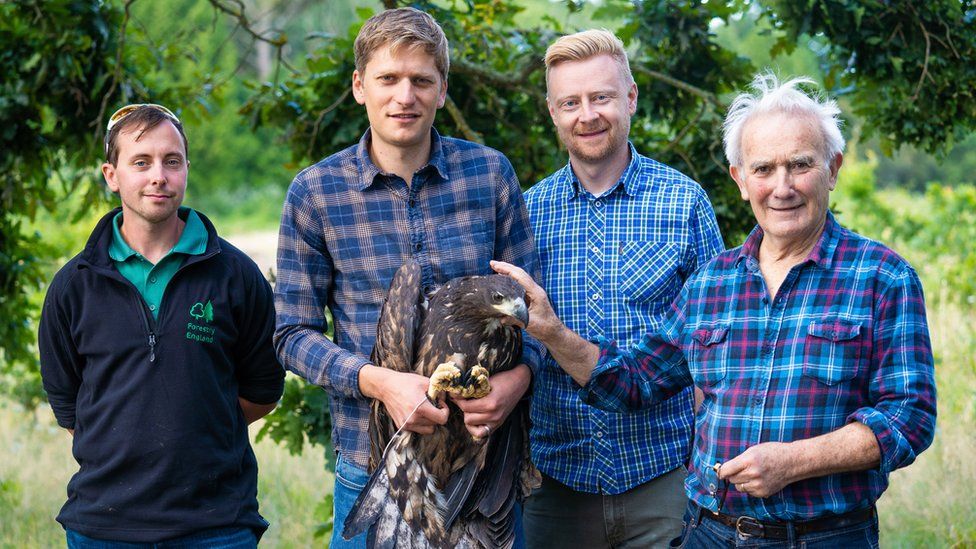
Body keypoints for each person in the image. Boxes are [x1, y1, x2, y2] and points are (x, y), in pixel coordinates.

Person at [494, 73, 937, 548]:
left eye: (800, 165)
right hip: (710, 532)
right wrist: (552, 331)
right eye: (763, 169)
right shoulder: (712, 284)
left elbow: (910, 417)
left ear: (833, 169)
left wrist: (795, 461)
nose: (782, 187)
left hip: (824, 536)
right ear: (741, 180)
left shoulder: (882, 277)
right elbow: (633, 381)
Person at [272, 8, 541, 548]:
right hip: (376, 465)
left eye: (421, 80)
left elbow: (534, 315)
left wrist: (517, 382)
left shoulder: (490, 175)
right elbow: (290, 336)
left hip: (484, 465)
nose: (405, 96)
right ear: (359, 87)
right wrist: (380, 383)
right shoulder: (316, 193)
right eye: (388, 79)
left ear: (442, 90)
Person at [38, 103, 285, 548]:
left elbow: (263, 391)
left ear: (187, 168)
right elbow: (70, 404)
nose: (159, 176)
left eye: (172, 161)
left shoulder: (236, 275)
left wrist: (198, 427)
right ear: (111, 175)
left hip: (216, 525)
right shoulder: (73, 286)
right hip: (103, 527)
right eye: (141, 162)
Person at [519, 29, 724, 548]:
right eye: (570, 102)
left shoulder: (684, 203)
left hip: (664, 478)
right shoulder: (525, 213)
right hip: (555, 485)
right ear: (551, 111)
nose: (586, 114)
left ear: (630, 98)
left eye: (601, 97)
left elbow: (717, 343)